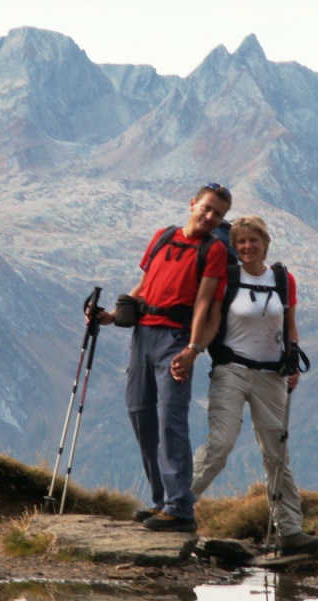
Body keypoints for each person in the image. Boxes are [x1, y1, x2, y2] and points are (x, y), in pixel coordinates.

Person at [96, 184, 232, 533]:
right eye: (206, 208)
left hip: (175, 340)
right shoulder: (163, 237)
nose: (210, 216)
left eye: (217, 214)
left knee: (171, 420)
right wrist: (110, 315)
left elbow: (204, 304)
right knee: (139, 413)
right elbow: (144, 285)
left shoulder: (214, 249)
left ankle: (179, 509)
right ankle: (161, 502)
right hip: (142, 336)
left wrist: (192, 350)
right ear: (192, 203)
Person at [191, 216, 318, 555]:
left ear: (265, 244)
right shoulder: (228, 277)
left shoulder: (283, 279)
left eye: (253, 240)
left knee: (277, 453)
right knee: (220, 444)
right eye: (241, 241)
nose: (247, 246)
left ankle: (290, 530)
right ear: (234, 246)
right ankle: (177, 507)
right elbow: (213, 320)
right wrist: (193, 350)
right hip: (231, 371)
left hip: (272, 376)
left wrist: (292, 360)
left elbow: (290, 325)